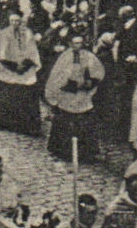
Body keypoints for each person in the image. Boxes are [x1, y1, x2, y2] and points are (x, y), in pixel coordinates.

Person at [44, 33, 105, 162]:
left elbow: (98, 72)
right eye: (75, 43)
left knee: (85, 119)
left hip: (83, 95)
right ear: (70, 44)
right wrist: (71, 84)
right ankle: (61, 150)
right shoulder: (64, 58)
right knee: (65, 120)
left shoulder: (88, 56)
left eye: (80, 42)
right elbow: (57, 76)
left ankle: (87, 151)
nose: (79, 45)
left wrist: (90, 82)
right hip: (68, 94)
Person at [0, 10, 41, 135]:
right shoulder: (3, 34)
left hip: (25, 67)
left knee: (27, 86)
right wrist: (12, 65)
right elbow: (1, 53)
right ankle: (5, 122)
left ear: (21, 21)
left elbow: (32, 51)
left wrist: (26, 64)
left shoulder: (27, 33)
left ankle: (24, 125)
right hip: (9, 66)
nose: (15, 23)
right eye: (12, 21)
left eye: (17, 21)